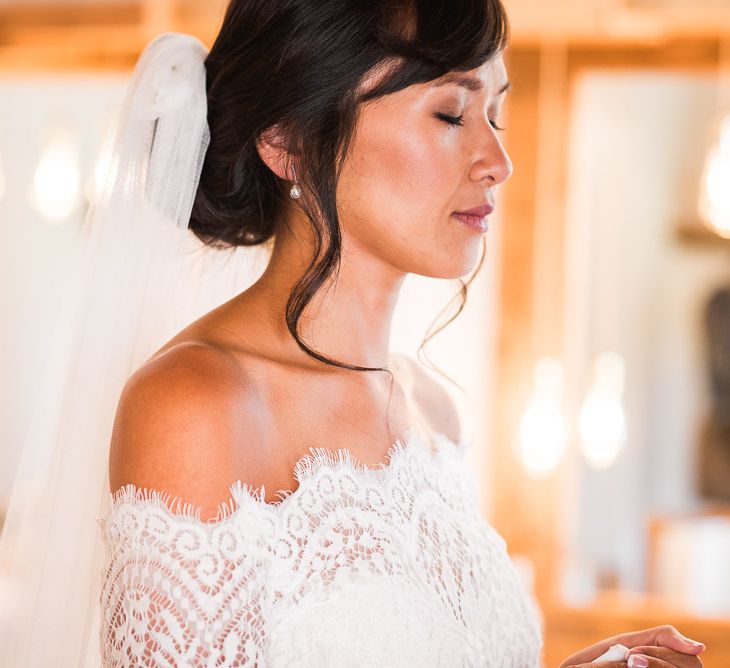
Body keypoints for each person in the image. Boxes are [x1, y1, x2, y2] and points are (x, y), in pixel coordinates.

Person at [0, 1, 708, 666]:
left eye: (497, 112)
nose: (499, 159)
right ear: (291, 140)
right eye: (451, 112)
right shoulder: (197, 408)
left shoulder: (434, 411)